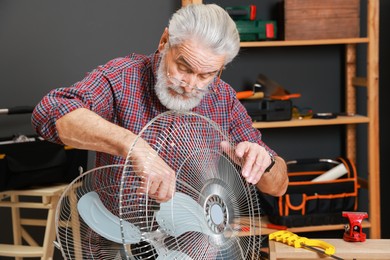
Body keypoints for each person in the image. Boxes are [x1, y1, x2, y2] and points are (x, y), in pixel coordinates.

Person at [32, 4, 288, 203]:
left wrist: (264, 162)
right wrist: (134, 147)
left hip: (193, 249)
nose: (190, 85)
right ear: (164, 41)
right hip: (116, 245)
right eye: (183, 67)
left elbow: (279, 186)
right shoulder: (122, 77)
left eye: (206, 75)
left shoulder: (223, 98)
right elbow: (50, 112)